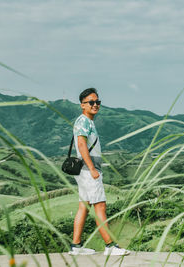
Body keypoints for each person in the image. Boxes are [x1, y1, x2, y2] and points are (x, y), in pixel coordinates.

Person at [69, 88, 130, 256]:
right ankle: (110, 246)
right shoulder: (83, 121)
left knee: (83, 206)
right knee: (100, 206)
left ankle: (76, 246)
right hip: (88, 170)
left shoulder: (87, 121)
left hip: (84, 170)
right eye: (91, 102)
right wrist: (93, 169)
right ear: (82, 105)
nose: (95, 105)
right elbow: (81, 145)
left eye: (97, 102)